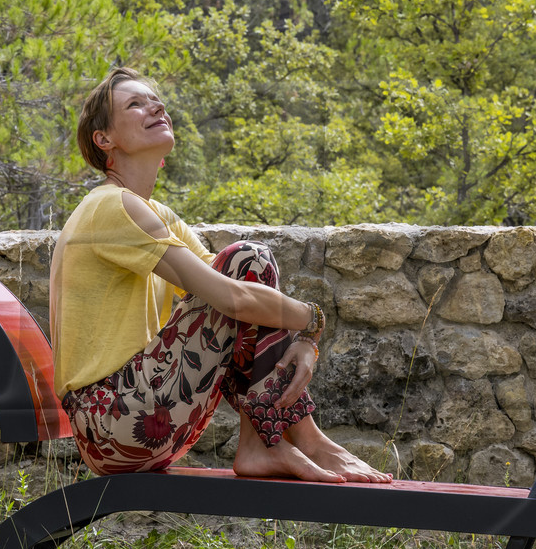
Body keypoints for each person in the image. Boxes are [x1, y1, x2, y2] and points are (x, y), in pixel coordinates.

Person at [50, 67, 392, 483]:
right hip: (111, 420)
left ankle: (264, 443)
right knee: (249, 258)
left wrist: (302, 336)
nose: (155, 105)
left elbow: (245, 294)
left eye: (155, 99)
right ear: (104, 140)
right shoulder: (111, 206)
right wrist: (310, 324)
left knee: (251, 267)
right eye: (135, 104)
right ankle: (304, 440)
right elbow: (234, 296)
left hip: (137, 421)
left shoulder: (151, 213)